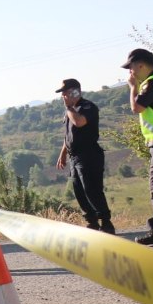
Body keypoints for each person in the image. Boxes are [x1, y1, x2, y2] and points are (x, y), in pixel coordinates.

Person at [54, 78, 113, 234]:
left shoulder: (87, 106)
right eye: (62, 93)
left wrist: (69, 108)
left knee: (92, 189)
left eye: (65, 93)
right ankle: (92, 222)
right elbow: (68, 135)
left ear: (75, 91)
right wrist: (63, 153)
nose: (63, 96)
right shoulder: (70, 110)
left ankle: (106, 222)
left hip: (89, 154)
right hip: (75, 157)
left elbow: (79, 123)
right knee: (79, 190)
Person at [125, 49, 153, 246]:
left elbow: (136, 107)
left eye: (131, 68)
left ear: (141, 65)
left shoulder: (152, 83)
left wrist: (133, 87)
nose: (130, 73)